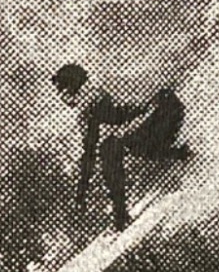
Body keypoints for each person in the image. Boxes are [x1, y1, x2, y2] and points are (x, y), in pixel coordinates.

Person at [51, 62, 188, 231]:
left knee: (110, 148)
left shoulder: (88, 103)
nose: (61, 98)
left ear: (71, 89)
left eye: (61, 91)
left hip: (163, 113)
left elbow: (89, 154)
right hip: (169, 105)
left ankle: (120, 216)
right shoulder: (99, 86)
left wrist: (80, 195)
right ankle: (180, 154)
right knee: (125, 143)